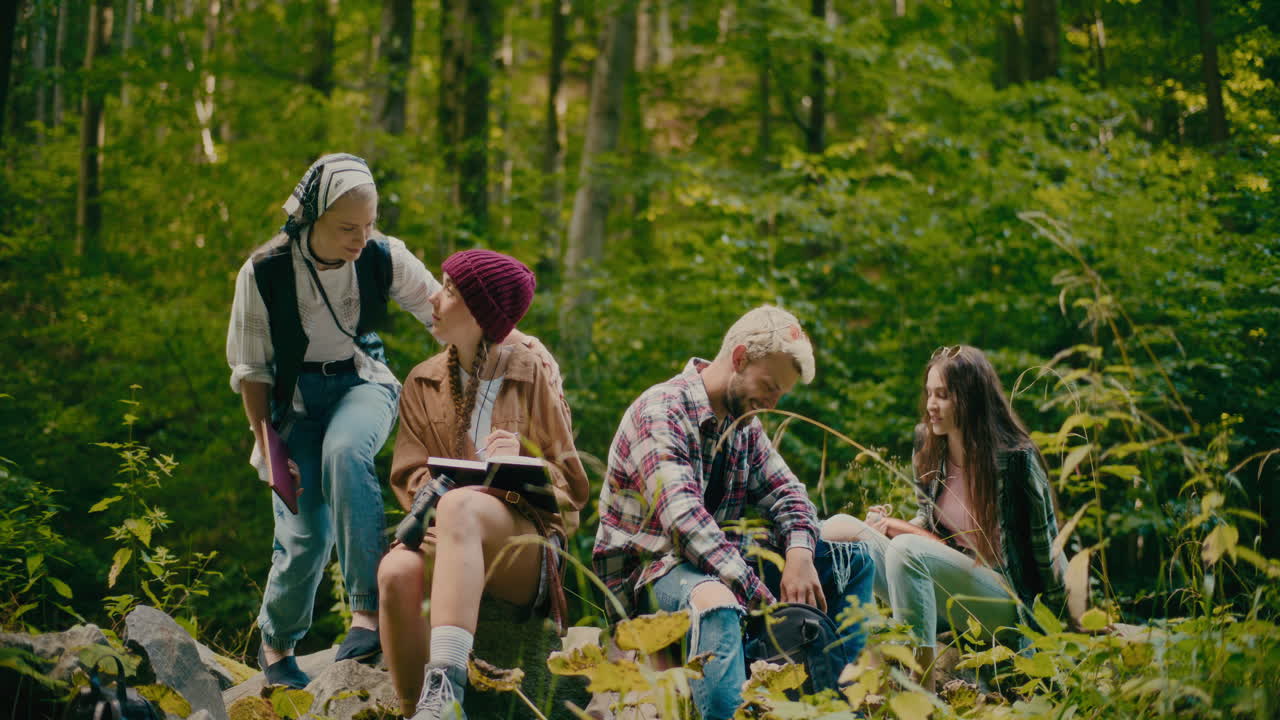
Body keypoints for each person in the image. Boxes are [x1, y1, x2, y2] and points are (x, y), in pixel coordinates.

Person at [593, 305, 874, 720]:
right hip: (653, 574)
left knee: (855, 563)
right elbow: (685, 526)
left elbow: (791, 494)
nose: (774, 401)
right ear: (740, 358)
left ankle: (841, 704)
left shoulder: (745, 425)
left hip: (721, 562)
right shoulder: (662, 409)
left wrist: (798, 554)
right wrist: (764, 601)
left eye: (782, 393)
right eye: (770, 385)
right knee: (718, 603)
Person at [226, 153, 442, 687]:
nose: (361, 238)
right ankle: (276, 649)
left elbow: (444, 311)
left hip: (360, 383)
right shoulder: (264, 271)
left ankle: (366, 614)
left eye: (369, 225)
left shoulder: (383, 256)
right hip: (291, 407)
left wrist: (507, 345)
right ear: (311, 218)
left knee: (346, 454)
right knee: (304, 538)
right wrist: (270, 446)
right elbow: (252, 371)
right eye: (348, 228)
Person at [378, 250, 590, 720]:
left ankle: (446, 686)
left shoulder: (529, 371)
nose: (435, 297)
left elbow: (571, 487)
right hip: (442, 531)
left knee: (462, 508)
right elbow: (410, 473)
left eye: (451, 290)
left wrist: (521, 461)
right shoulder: (421, 381)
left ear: (481, 312)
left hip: (523, 544)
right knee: (394, 573)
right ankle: (424, 712)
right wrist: (430, 507)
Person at [826, 345, 1069, 690]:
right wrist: (886, 526)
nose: (930, 405)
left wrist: (1063, 627)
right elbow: (935, 526)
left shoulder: (1016, 459)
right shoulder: (928, 446)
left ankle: (920, 686)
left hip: (1004, 601)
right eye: (929, 393)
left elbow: (1048, 549)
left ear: (969, 398)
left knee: (905, 550)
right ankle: (834, 651)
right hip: (948, 592)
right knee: (839, 527)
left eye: (942, 395)